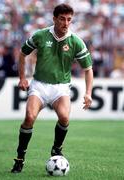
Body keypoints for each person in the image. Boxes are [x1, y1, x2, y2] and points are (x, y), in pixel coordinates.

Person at [11, 3, 93, 173]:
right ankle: (19, 159)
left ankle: (56, 149)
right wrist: (22, 78)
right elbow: (22, 53)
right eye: (62, 19)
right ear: (54, 19)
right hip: (39, 85)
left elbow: (88, 69)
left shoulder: (76, 41)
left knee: (64, 117)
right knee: (29, 117)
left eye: (69, 19)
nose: (66, 23)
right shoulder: (41, 35)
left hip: (61, 88)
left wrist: (88, 93)